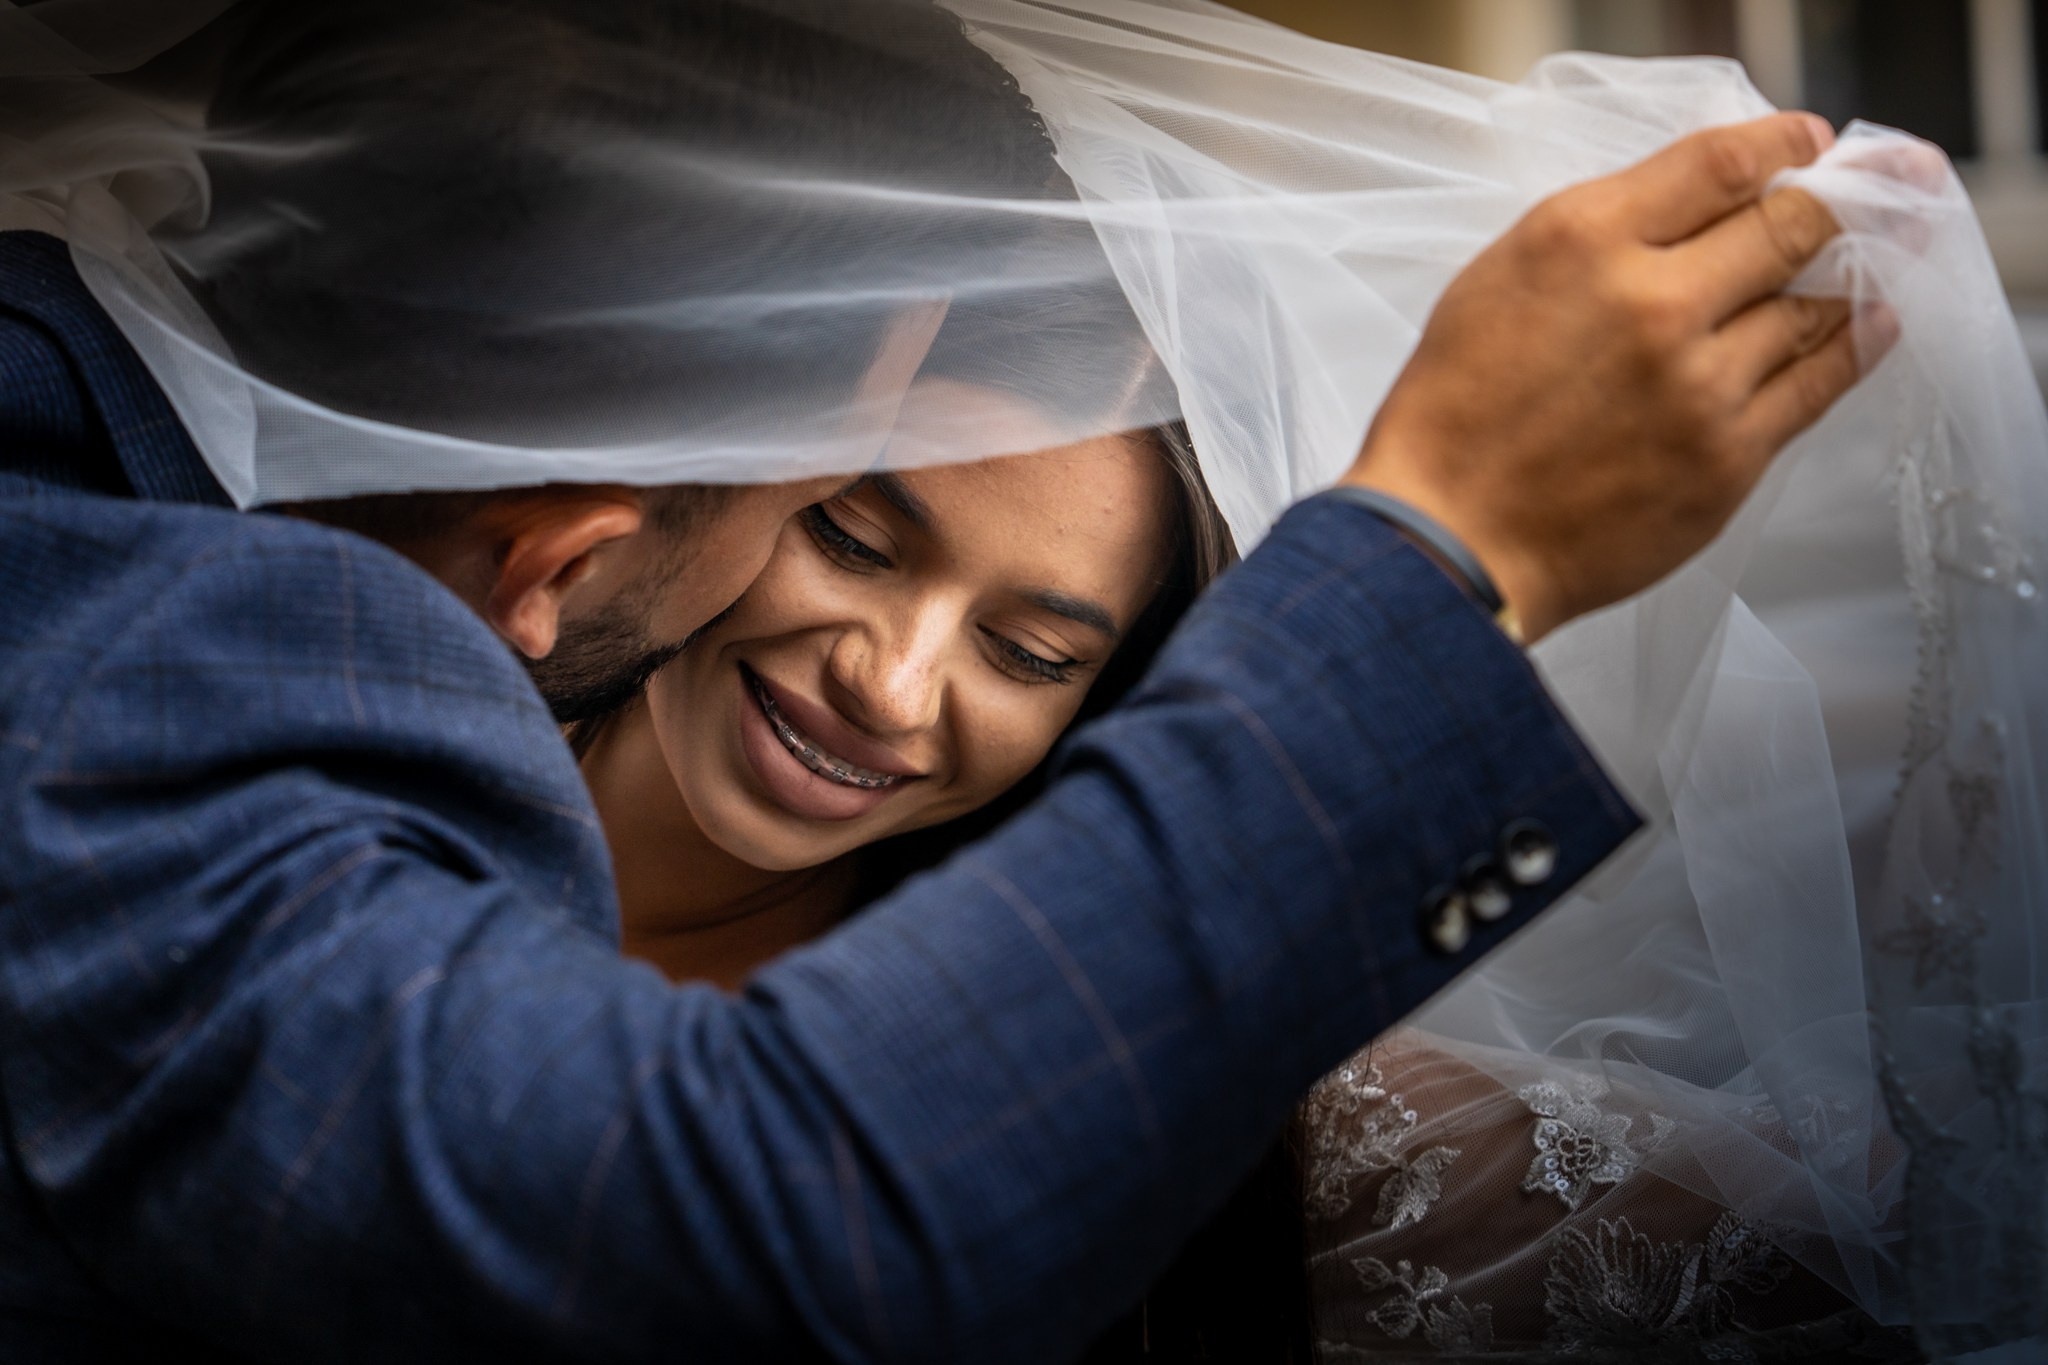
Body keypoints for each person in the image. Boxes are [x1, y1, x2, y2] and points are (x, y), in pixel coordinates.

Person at [0, 1, 1915, 1361]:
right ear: (569, 548)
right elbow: (732, 1221)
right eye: (828, 512)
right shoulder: (176, 655)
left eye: (1033, 648)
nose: (888, 680)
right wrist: (1442, 546)